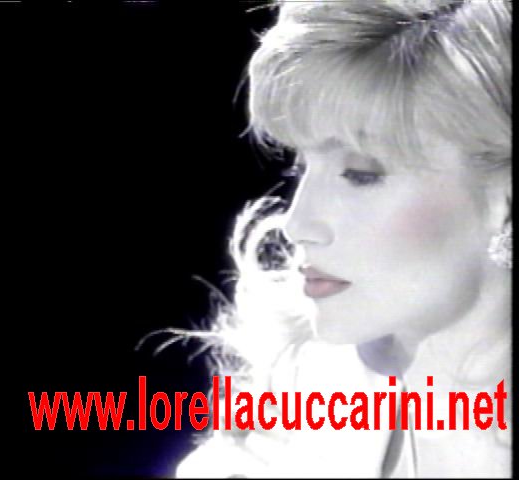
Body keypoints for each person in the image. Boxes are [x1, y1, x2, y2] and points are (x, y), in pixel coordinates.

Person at [174, 0, 512, 477]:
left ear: (504, 198)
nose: (297, 224)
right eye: (300, 168)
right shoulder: (304, 383)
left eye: (360, 174)